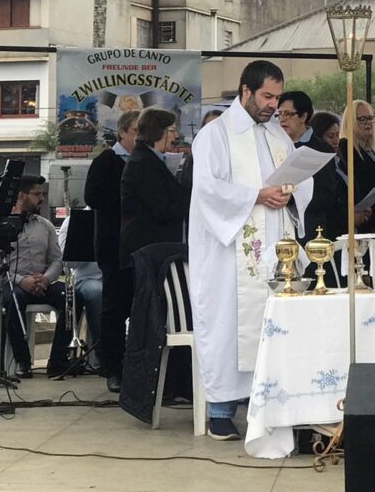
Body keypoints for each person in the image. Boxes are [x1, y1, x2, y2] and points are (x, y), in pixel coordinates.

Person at [188, 60, 312, 442]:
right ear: (245, 91)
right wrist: (256, 195)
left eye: (277, 97)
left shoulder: (278, 136)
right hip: (230, 254)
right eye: (267, 96)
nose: (273, 106)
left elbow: (298, 182)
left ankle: (271, 404)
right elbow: (207, 189)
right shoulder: (216, 135)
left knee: (274, 325)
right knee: (229, 324)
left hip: (274, 246)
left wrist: (290, 192)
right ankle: (222, 409)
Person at [0, 176, 70, 378]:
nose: (41, 198)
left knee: (70, 298)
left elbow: (57, 260)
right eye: (37, 194)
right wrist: (22, 280)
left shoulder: (46, 226)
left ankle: (57, 361)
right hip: (9, 284)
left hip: (42, 283)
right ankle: (23, 361)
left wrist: (46, 279)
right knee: (16, 298)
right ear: (22, 196)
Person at [85, 108, 138, 392]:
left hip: (139, 247)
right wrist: (127, 198)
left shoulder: (144, 161)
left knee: (140, 307)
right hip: (113, 246)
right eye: (137, 132)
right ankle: (112, 368)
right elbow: (93, 196)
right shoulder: (106, 160)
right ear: (123, 133)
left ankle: (138, 366)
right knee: (115, 309)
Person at [119, 108, 190, 269]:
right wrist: (193, 202)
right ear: (158, 132)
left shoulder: (150, 160)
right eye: (172, 130)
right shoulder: (143, 163)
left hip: (153, 252)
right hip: (147, 252)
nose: (176, 136)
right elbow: (162, 208)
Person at [335, 100, 375, 235]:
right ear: (351, 122)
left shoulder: (372, 150)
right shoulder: (346, 146)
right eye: (362, 119)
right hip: (362, 222)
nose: (368, 122)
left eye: (370, 118)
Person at [56, 211, 102, 371]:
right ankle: (102, 354)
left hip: (113, 278)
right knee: (98, 292)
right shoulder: (72, 222)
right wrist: (84, 242)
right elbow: (67, 263)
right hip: (87, 279)